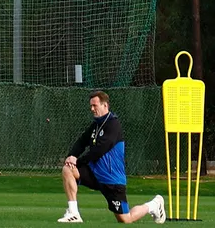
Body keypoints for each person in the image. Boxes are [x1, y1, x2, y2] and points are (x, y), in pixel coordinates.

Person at [59, 91, 163, 223]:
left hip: (112, 179)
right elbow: (81, 141)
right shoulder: (96, 125)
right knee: (68, 169)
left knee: (125, 219)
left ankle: (153, 205)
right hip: (94, 174)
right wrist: (71, 156)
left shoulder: (113, 125)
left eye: (95, 105)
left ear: (105, 105)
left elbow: (99, 150)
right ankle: (73, 213)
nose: (92, 109)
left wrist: (78, 161)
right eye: (91, 106)